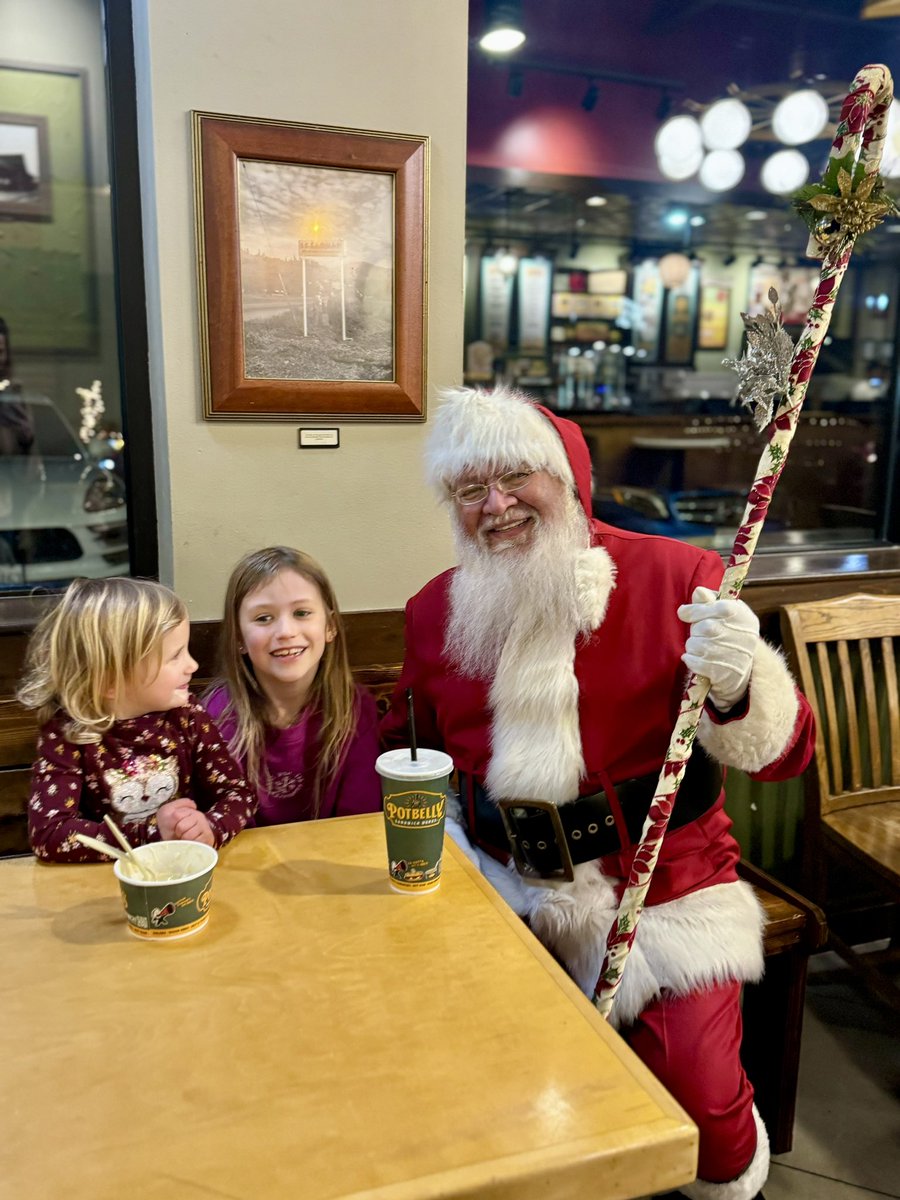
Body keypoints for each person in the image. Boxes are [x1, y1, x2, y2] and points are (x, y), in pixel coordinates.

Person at [381, 385, 816, 1200]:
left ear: (569, 477)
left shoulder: (680, 576)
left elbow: (783, 754)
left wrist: (738, 682)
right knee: (485, 1095)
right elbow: (415, 752)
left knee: (703, 1114)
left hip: (661, 893)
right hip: (498, 885)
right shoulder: (433, 609)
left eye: (516, 477)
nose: (496, 505)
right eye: (471, 490)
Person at [18, 576, 257, 862]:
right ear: (110, 679)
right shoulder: (68, 733)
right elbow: (49, 834)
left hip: (186, 872)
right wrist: (152, 834)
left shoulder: (188, 716)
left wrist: (211, 827)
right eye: (175, 656)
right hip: (106, 885)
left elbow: (237, 793)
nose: (192, 665)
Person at [204, 546, 381, 824]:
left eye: (301, 613)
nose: (286, 632)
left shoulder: (355, 709)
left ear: (330, 626)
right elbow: (223, 827)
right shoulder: (216, 716)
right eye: (264, 618)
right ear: (238, 637)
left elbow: (359, 821)